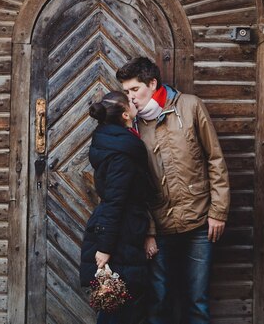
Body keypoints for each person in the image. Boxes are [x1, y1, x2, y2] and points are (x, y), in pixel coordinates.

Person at [116, 57, 230, 324]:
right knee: (159, 300)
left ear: (152, 83)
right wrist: (148, 231)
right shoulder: (130, 124)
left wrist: (219, 212)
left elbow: (215, 160)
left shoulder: (190, 107)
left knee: (197, 300)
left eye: (135, 90)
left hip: (200, 221)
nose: (130, 98)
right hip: (159, 226)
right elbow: (135, 184)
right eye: (126, 92)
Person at [80, 91, 155, 324]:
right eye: (131, 102)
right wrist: (104, 247)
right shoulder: (123, 152)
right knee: (119, 308)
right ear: (125, 115)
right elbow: (115, 201)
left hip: (125, 232)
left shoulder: (112, 141)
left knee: (121, 306)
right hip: (121, 236)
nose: (135, 103)